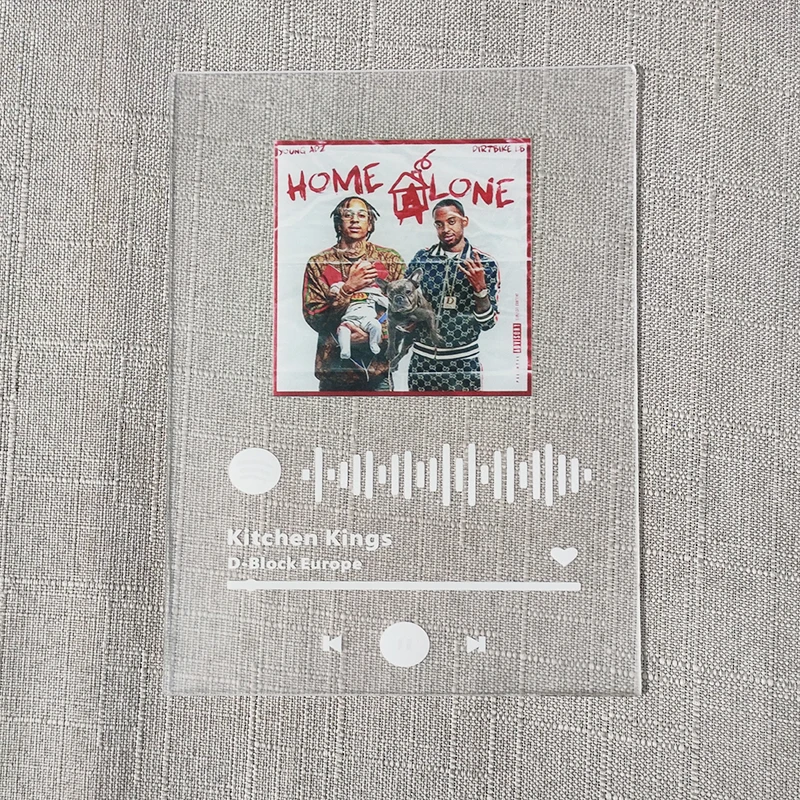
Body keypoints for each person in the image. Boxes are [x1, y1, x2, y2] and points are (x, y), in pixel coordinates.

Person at [302, 196, 406, 391]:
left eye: (361, 215)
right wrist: (347, 289)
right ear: (338, 223)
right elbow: (314, 317)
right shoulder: (318, 263)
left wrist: (375, 335)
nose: (355, 220)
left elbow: (405, 314)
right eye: (348, 215)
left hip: (378, 371)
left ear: (370, 223)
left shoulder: (390, 259)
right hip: (334, 372)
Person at [404, 198, 500, 391]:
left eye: (451, 221)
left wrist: (480, 290)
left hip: (463, 363)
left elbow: (488, 324)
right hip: (422, 362)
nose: (446, 229)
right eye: (439, 224)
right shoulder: (423, 258)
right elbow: (402, 301)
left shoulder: (484, 263)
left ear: (465, 221)